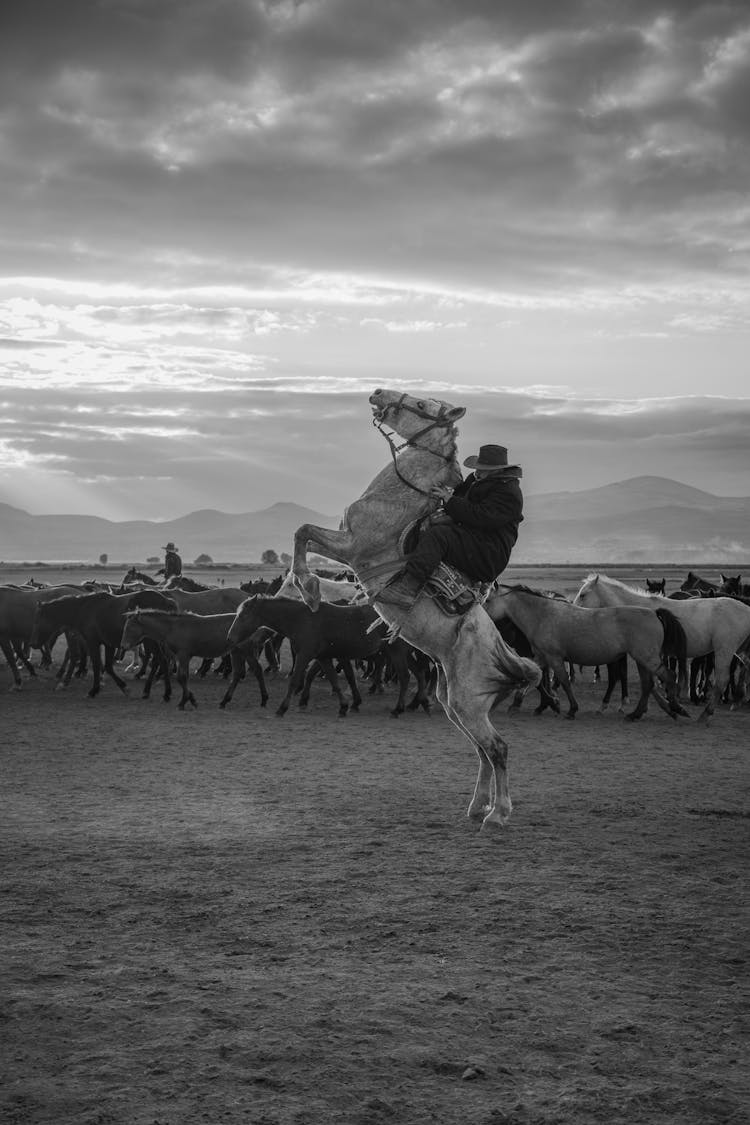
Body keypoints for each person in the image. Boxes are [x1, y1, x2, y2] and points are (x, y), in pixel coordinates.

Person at [382, 443, 523, 608]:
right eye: (478, 467)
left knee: (439, 536)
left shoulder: (509, 492)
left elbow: (481, 516)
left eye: (483, 468)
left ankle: (408, 589)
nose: (477, 471)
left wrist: (449, 500)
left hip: (488, 553)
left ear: (496, 470)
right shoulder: (477, 479)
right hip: (472, 539)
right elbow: (459, 497)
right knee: (426, 527)